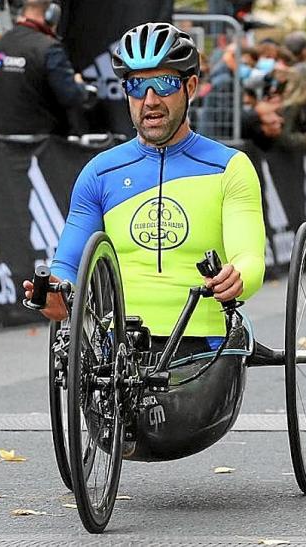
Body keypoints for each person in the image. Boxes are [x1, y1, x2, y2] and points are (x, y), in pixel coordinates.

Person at [23, 22, 266, 353]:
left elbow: (249, 258)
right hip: (121, 348)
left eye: (163, 84)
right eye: (137, 86)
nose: (149, 100)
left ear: (190, 86)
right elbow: (68, 263)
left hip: (207, 343)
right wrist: (56, 289)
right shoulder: (100, 172)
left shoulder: (230, 167)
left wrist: (239, 276)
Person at [0, 0, 94, 136]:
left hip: (3, 146)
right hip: (42, 148)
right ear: (52, 15)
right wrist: (79, 85)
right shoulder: (50, 49)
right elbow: (70, 96)